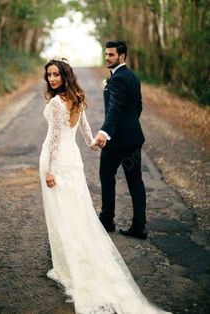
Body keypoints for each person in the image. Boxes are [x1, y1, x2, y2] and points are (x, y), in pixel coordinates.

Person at [39, 58, 172, 314]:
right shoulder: (76, 96)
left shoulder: (57, 103)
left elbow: (55, 139)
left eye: (56, 74)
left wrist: (50, 171)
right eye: (49, 75)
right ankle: (76, 257)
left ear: (65, 75)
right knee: (76, 210)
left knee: (62, 212)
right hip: (73, 159)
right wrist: (92, 144)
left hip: (57, 161)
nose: (52, 79)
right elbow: (85, 131)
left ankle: (69, 265)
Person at [95, 40, 147, 240]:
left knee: (106, 175)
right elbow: (138, 107)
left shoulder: (117, 79)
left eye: (111, 55)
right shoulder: (133, 77)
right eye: (106, 54)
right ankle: (139, 226)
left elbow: (115, 108)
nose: (107, 58)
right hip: (133, 139)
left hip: (116, 141)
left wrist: (105, 132)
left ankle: (107, 220)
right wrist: (130, 126)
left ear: (122, 56)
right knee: (135, 180)